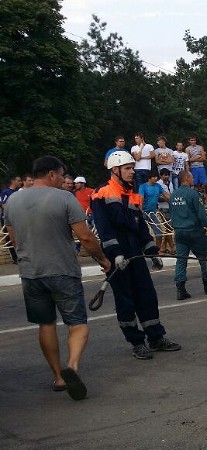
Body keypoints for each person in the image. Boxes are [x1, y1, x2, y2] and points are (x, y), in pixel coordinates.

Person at [5, 156, 111, 401]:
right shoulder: (64, 198)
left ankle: (59, 377)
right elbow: (85, 237)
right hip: (62, 270)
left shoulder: (13, 200)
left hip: (31, 273)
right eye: (62, 175)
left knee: (46, 324)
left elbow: (14, 238)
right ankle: (72, 367)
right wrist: (103, 261)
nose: (65, 180)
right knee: (77, 323)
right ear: (51, 174)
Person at [91, 151, 181, 359]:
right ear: (115, 170)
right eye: (128, 168)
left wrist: (152, 251)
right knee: (125, 301)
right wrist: (115, 255)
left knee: (147, 295)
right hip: (118, 255)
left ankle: (156, 337)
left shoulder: (131, 194)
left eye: (132, 168)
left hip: (135, 253)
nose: (133, 172)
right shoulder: (102, 193)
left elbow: (140, 226)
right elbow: (104, 229)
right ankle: (137, 342)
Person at [169, 170, 207, 300]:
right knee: (204, 258)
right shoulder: (193, 194)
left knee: (181, 260)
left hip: (179, 232)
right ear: (187, 178)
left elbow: (171, 214)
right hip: (194, 231)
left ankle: (180, 289)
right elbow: (201, 215)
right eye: (191, 177)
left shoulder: (173, 195)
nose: (193, 179)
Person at [138, 170, 168, 252]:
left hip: (153, 213)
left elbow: (166, 195)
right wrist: (140, 211)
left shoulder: (158, 186)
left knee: (159, 233)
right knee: (142, 233)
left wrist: (174, 199)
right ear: (149, 178)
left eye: (156, 177)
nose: (156, 178)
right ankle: (141, 250)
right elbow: (141, 199)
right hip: (143, 212)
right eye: (154, 177)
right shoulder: (143, 187)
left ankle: (156, 251)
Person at [0, 176, 21, 263]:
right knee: (10, 238)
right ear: (13, 181)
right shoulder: (6, 192)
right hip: (7, 219)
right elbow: (3, 204)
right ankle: (15, 258)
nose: (20, 182)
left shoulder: (17, 192)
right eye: (18, 180)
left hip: (17, 218)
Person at [156, 168, 176, 255]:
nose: (166, 176)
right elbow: (158, 197)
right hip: (162, 208)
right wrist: (167, 199)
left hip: (170, 207)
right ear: (161, 175)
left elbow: (172, 193)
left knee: (169, 228)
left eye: (167, 175)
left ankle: (163, 247)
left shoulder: (170, 183)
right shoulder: (158, 184)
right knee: (168, 228)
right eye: (165, 175)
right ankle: (172, 247)